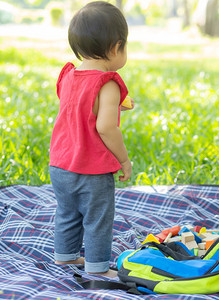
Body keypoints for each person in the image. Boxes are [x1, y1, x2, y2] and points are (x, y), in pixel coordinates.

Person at [49, 1, 133, 278]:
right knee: (98, 219)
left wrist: (111, 106)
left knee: (68, 213)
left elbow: (79, 109)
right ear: (115, 47)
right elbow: (106, 127)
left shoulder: (69, 75)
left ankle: (64, 257)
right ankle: (98, 268)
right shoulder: (108, 82)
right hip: (91, 169)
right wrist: (123, 159)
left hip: (60, 164)